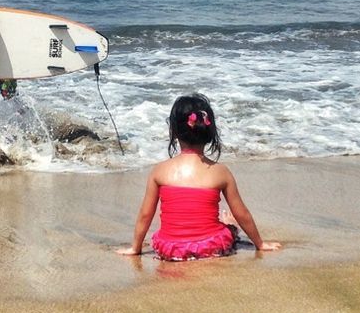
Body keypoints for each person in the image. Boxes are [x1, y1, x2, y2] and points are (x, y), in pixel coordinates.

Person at [117, 94, 281, 259]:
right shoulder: (221, 172)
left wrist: (135, 248)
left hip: (171, 248)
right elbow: (242, 213)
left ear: (174, 131)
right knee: (229, 226)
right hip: (209, 246)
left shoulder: (159, 171)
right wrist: (260, 244)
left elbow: (146, 214)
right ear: (210, 131)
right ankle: (229, 224)